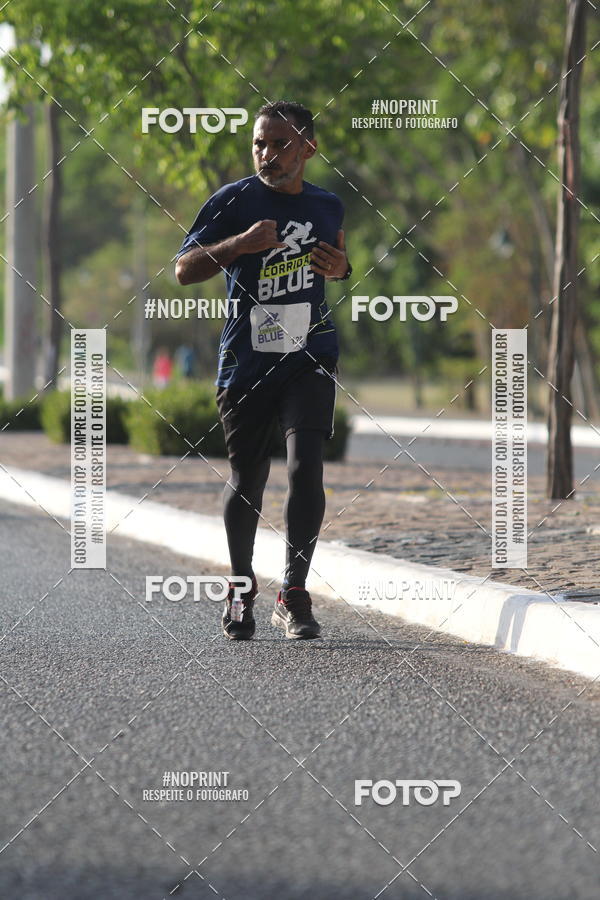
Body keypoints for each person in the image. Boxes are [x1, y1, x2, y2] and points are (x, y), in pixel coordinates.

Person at [175, 100, 351, 641]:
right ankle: (240, 587)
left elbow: (341, 261)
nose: (267, 154)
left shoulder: (328, 205)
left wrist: (343, 268)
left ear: (307, 149)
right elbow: (183, 269)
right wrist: (240, 244)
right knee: (248, 479)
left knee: (306, 468)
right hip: (246, 363)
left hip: (309, 357)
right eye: (259, 143)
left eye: (279, 144)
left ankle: (294, 592)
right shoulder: (233, 200)